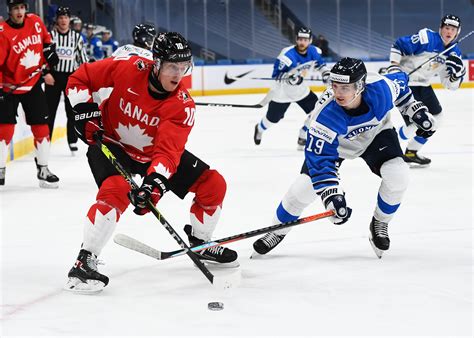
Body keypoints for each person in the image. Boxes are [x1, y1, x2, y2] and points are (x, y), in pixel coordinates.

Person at [64, 32, 238, 293]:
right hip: (112, 144)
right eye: (172, 66)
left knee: (213, 184)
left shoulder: (182, 106)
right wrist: (83, 112)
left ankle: (200, 243)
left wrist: (155, 185)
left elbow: (168, 153)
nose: (178, 75)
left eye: (183, 67)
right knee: (117, 191)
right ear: (156, 63)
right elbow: (81, 77)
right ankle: (84, 261)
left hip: (150, 156)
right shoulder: (127, 68)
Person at [252, 58, 437, 258]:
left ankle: (380, 223)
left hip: (376, 136)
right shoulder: (325, 115)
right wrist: (331, 196)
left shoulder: (381, 88)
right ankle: (276, 230)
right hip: (338, 146)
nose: (338, 93)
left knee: (399, 175)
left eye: (345, 88)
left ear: (360, 86)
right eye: (335, 86)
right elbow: (320, 162)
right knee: (302, 188)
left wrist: (415, 110)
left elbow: (401, 84)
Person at [390, 14, 465, 167]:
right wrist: (394, 66)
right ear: (441, 28)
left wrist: (456, 75)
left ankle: (412, 152)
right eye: (446, 28)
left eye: (453, 29)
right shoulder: (427, 38)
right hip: (406, 83)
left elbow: (449, 85)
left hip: (424, 85)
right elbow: (398, 45)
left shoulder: (454, 52)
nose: (449, 32)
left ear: (458, 32)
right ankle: (392, 145)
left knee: (437, 118)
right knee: (414, 125)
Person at [0, 0, 60, 188]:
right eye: (15, 8)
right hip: (8, 87)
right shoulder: (2, 33)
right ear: (9, 11)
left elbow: (46, 41)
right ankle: (0, 169)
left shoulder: (35, 21)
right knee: (5, 130)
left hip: (33, 84)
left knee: (42, 126)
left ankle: (43, 169)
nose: (19, 12)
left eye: (22, 8)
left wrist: (49, 52)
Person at [253, 27, 330, 150]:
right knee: (272, 120)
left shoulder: (314, 51)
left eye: (305, 39)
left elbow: (320, 65)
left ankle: (303, 136)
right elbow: (276, 75)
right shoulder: (287, 55)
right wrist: (290, 78)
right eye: (300, 39)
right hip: (282, 93)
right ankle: (259, 128)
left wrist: (326, 75)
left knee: (317, 112)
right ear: (296, 39)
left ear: (310, 41)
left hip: (301, 90)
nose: (302, 42)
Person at [45, 6, 88, 155]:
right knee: (50, 111)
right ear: (56, 20)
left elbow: (82, 59)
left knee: (72, 111)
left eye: (66, 17)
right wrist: (46, 73)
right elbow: (43, 56)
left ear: (69, 20)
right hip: (53, 77)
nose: (63, 20)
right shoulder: (50, 36)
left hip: (71, 77)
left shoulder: (77, 37)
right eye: (60, 17)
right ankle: (46, 141)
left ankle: (72, 140)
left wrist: (85, 77)